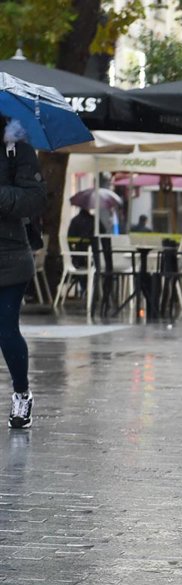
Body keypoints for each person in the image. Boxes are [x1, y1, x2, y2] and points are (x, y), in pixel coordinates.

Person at [1, 116, 47, 429]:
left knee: (5, 329)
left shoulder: (16, 148)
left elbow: (33, 200)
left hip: (10, 256)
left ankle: (22, 394)